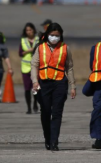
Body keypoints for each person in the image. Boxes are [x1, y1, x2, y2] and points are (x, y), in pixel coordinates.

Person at [31, 23, 76, 151]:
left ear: (61, 36)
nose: (54, 38)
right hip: (44, 83)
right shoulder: (40, 48)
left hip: (60, 83)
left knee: (57, 113)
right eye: (52, 35)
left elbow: (69, 67)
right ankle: (47, 137)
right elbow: (34, 65)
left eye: (57, 35)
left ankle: (54, 141)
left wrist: (73, 86)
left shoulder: (65, 48)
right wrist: (35, 81)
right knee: (45, 112)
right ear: (47, 35)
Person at [19, 23, 39, 114]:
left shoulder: (38, 39)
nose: (29, 32)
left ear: (34, 30)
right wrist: (28, 51)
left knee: (36, 88)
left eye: (30, 30)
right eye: (27, 30)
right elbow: (20, 53)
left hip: (36, 67)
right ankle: (28, 107)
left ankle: (35, 103)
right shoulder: (23, 40)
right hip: (26, 68)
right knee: (27, 88)